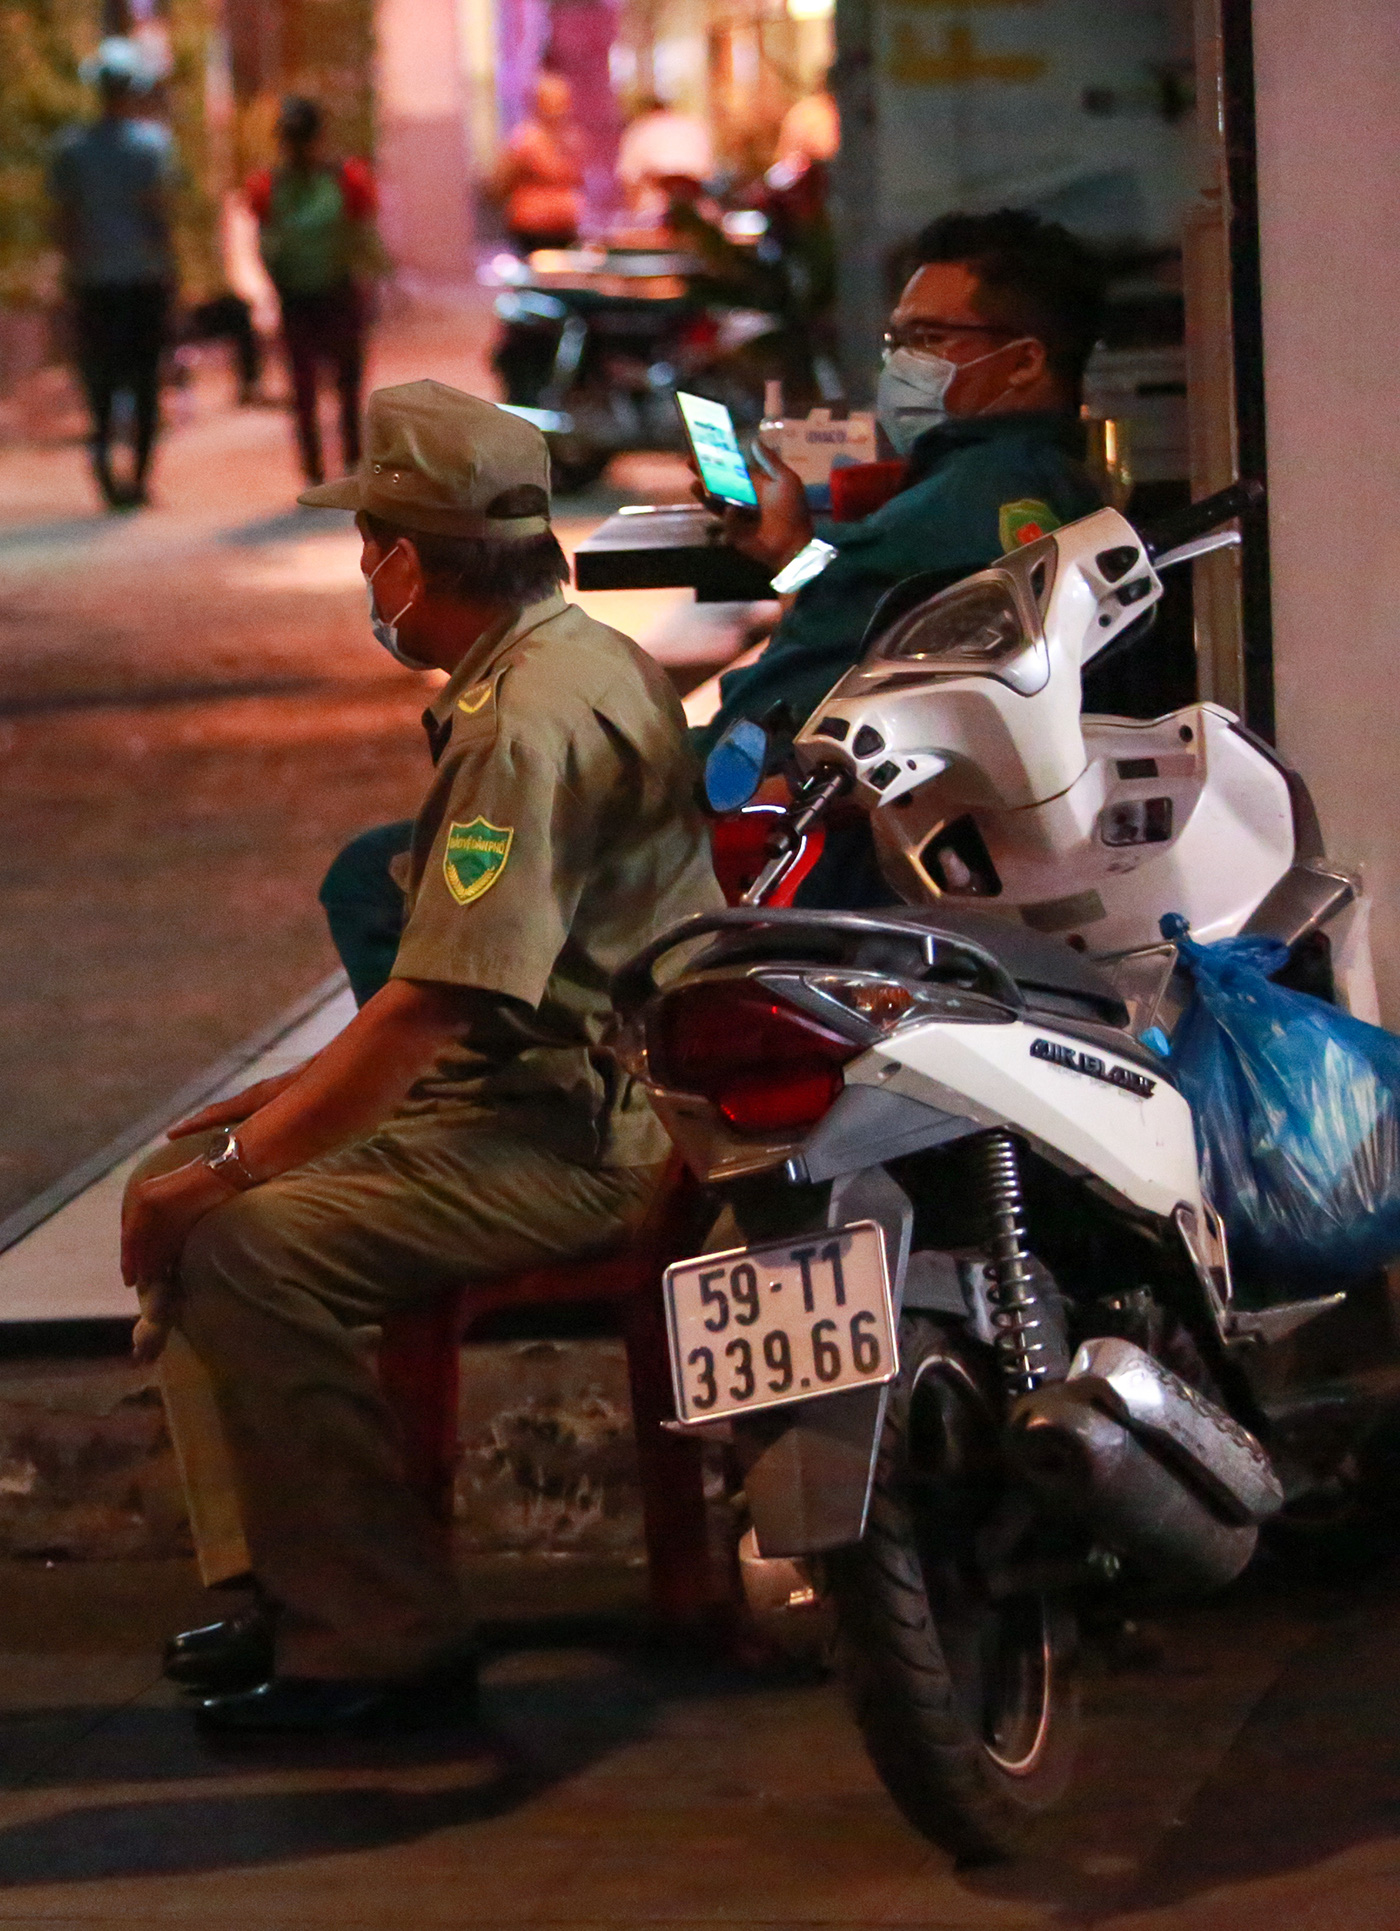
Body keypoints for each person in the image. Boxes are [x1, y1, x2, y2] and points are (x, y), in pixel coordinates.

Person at [119, 380, 721, 1737]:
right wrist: (252, 1119)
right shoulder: (565, 653)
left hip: (585, 1135)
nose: (365, 576)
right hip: (545, 1089)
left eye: (366, 546)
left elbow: (434, 1009)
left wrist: (233, 1165)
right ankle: (285, 1579)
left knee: (240, 1242)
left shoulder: (522, 723)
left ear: (398, 556)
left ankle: (382, 1639)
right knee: (192, 1175)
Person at [698, 209, 1108, 762]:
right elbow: (844, 607)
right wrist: (792, 552)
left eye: (929, 338)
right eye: (898, 339)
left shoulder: (940, 519)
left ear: (1025, 362)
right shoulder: (1056, 482)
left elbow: (743, 744)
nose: (898, 363)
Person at [48, 38, 182, 509]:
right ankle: (140, 479)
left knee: (99, 385)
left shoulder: (71, 150)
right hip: (143, 280)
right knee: (145, 382)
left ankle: (106, 476)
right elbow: (159, 216)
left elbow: (63, 221)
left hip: (92, 283)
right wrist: (173, 276)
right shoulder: (152, 147)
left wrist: (68, 274)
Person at [247, 97, 380, 488]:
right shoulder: (332, 179)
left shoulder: (339, 179)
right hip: (312, 295)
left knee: (337, 384)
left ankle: (333, 466)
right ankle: (322, 467)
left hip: (326, 292)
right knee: (316, 386)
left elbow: (266, 241)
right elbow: (364, 236)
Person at [491, 71, 584, 253]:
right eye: (552, 100)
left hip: (565, 229)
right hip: (533, 229)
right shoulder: (523, 140)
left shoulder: (571, 139)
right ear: (538, 102)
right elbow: (500, 184)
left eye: (562, 100)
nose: (559, 107)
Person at [614, 93, 713, 231]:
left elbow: (628, 179)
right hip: (694, 208)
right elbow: (707, 173)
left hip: (655, 208)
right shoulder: (694, 126)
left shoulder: (639, 129)